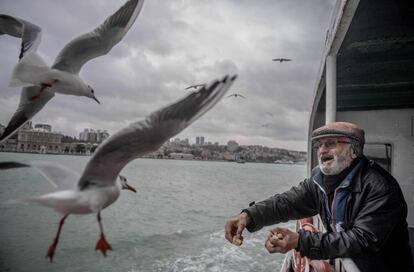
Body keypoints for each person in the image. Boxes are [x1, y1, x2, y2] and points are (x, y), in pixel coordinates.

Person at [225, 122, 414, 271]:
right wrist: (248, 216)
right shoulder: (319, 180)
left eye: (331, 144)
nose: (322, 150)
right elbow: (287, 202)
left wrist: (300, 241)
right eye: (320, 145)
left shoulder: (380, 187)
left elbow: (362, 240)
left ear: (354, 150)